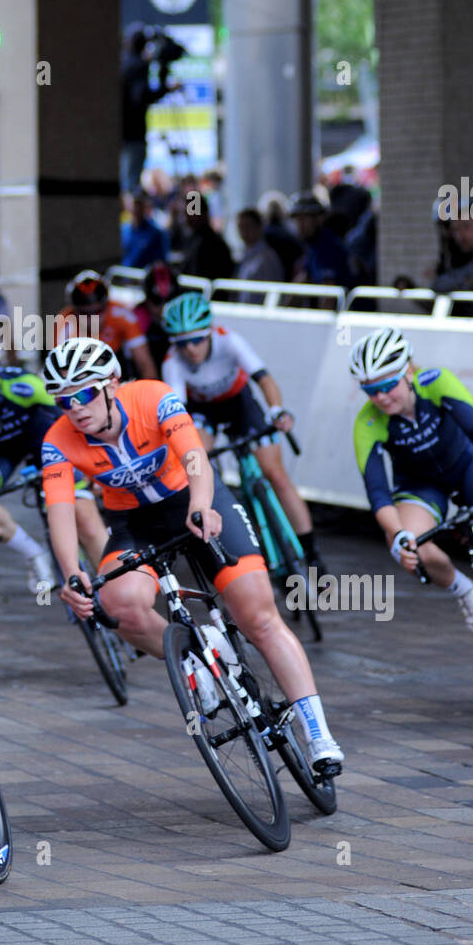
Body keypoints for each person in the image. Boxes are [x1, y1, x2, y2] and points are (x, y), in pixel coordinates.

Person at [39, 338, 343, 773]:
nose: (76, 408)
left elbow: (196, 456)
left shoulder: (154, 397)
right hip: (135, 522)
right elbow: (61, 511)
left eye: (84, 393)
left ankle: (318, 734)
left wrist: (202, 504)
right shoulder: (57, 441)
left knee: (257, 616)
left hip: (196, 497)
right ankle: (198, 658)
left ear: (112, 383)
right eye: (64, 400)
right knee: (115, 604)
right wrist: (72, 573)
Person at [350, 327, 473, 633]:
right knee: (411, 545)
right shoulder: (368, 422)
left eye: (388, 385)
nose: (381, 397)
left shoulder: (436, 381)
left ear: (409, 372)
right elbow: (378, 494)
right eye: (370, 391)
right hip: (420, 487)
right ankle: (464, 590)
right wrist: (399, 534)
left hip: (469, 467)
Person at [160, 291, 325, 573]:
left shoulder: (229, 340)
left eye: (197, 339)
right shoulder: (171, 362)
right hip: (203, 411)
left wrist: (275, 410)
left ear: (210, 333)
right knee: (199, 463)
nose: (191, 349)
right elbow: (178, 417)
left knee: (276, 475)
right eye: (182, 343)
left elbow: (265, 380)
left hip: (240, 404)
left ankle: (312, 555)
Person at [0, 334, 105, 594]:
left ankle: (116, 588)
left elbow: (75, 419)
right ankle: (33, 553)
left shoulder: (23, 384)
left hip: (43, 441)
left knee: (84, 516)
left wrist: (93, 465)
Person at [52, 270, 156, 380]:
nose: (93, 319)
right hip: (80, 373)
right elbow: (62, 375)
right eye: (85, 314)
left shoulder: (122, 315)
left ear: (107, 305)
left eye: (98, 312)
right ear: (74, 311)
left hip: (115, 364)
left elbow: (145, 364)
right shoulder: (63, 324)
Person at [120, 25, 176, 195]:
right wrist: (165, 88)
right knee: (131, 183)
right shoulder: (137, 67)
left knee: (129, 179)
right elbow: (142, 97)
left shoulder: (125, 62)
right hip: (132, 134)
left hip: (125, 133)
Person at [288, 191, 353, 289]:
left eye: (304, 218)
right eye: (297, 219)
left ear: (319, 218)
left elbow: (329, 295)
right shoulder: (313, 245)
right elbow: (304, 278)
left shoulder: (328, 247)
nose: (300, 225)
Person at [134, 261, 181, 375]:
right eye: (157, 301)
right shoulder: (137, 317)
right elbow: (142, 362)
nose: (163, 308)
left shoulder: (184, 313)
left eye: (169, 301)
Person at [235, 208, 284, 295]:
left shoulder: (268, 258)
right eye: (241, 227)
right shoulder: (243, 255)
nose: (244, 232)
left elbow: (272, 290)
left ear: (259, 227)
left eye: (248, 226)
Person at [120, 191, 169, 269]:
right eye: (135, 204)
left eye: (140, 205)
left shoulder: (156, 233)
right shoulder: (124, 230)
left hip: (142, 277)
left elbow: (160, 263)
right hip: (122, 274)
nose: (137, 209)